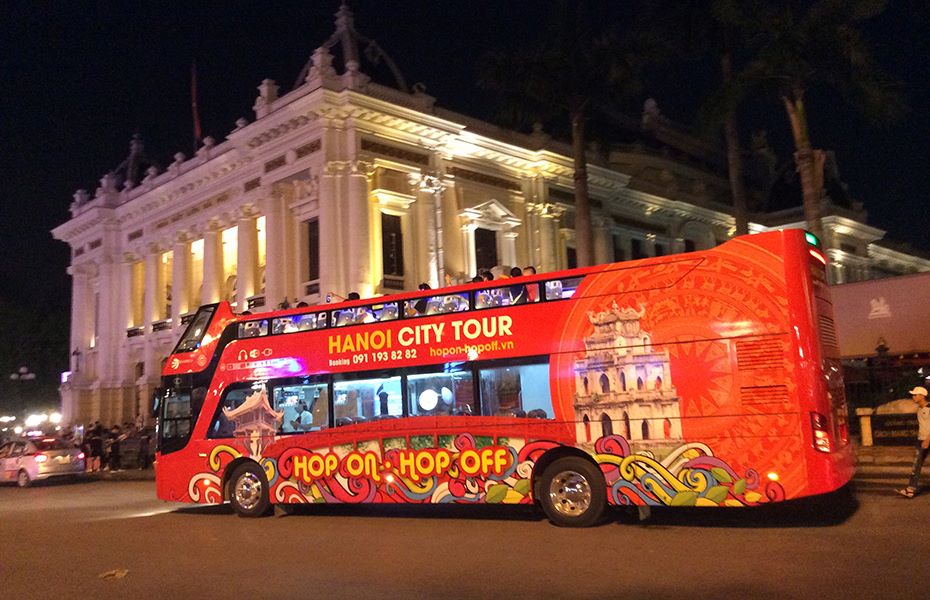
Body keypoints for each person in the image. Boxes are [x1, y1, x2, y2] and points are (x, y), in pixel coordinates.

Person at [897, 386, 930, 498]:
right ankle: (910, 489)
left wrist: (927, 439)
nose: (913, 397)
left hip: (927, 439)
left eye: (915, 395)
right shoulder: (919, 409)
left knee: (917, 464)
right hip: (921, 440)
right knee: (916, 465)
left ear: (922, 396)